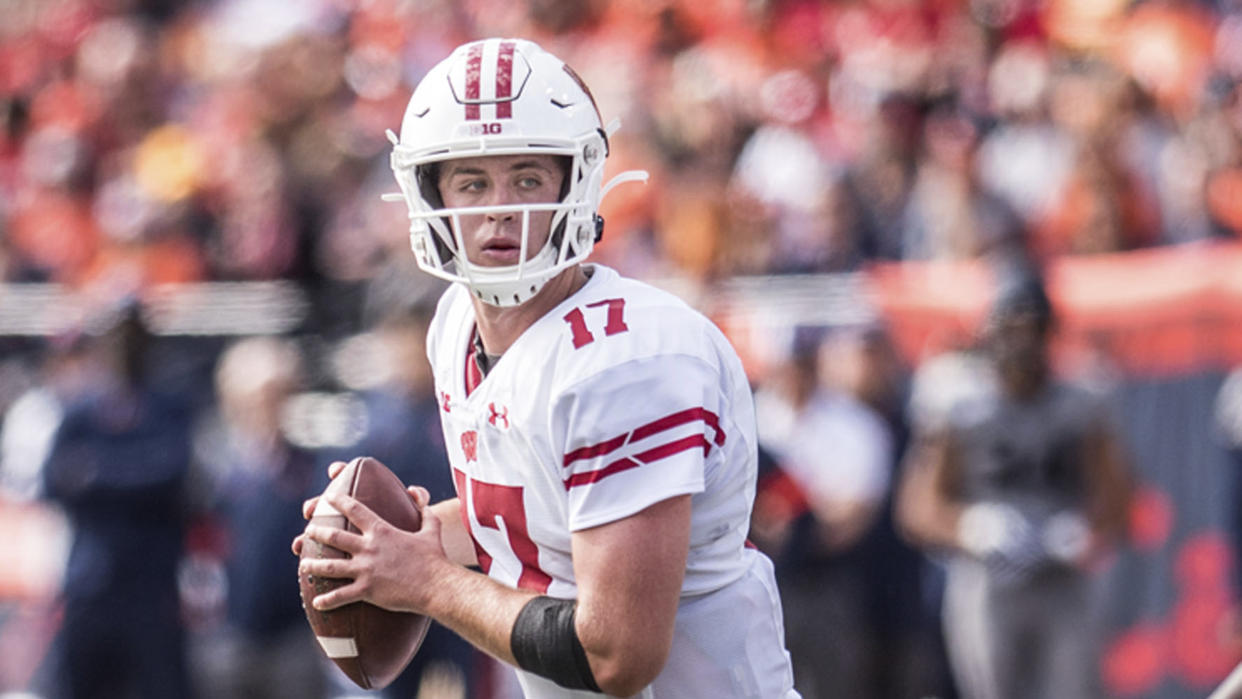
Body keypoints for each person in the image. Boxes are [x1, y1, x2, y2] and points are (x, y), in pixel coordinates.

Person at [293, 37, 798, 699]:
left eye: (527, 177)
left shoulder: (628, 361)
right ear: (429, 194)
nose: (501, 206)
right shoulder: (453, 325)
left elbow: (618, 653)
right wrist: (393, 543)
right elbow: (532, 522)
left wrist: (428, 582)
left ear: (577, 181)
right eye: (473, 181)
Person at [895, 269, 1132, 699]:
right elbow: (918, 507)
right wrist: (972, 528)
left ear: (1050, 334)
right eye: (1011, 329)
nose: (1022, 344)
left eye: (1033, 330)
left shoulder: (1082, 398)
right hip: (989, 576)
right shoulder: (959, 400)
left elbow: (1117, 495)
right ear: (989, 332)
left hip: (1061, 577)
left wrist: (1083, 532)